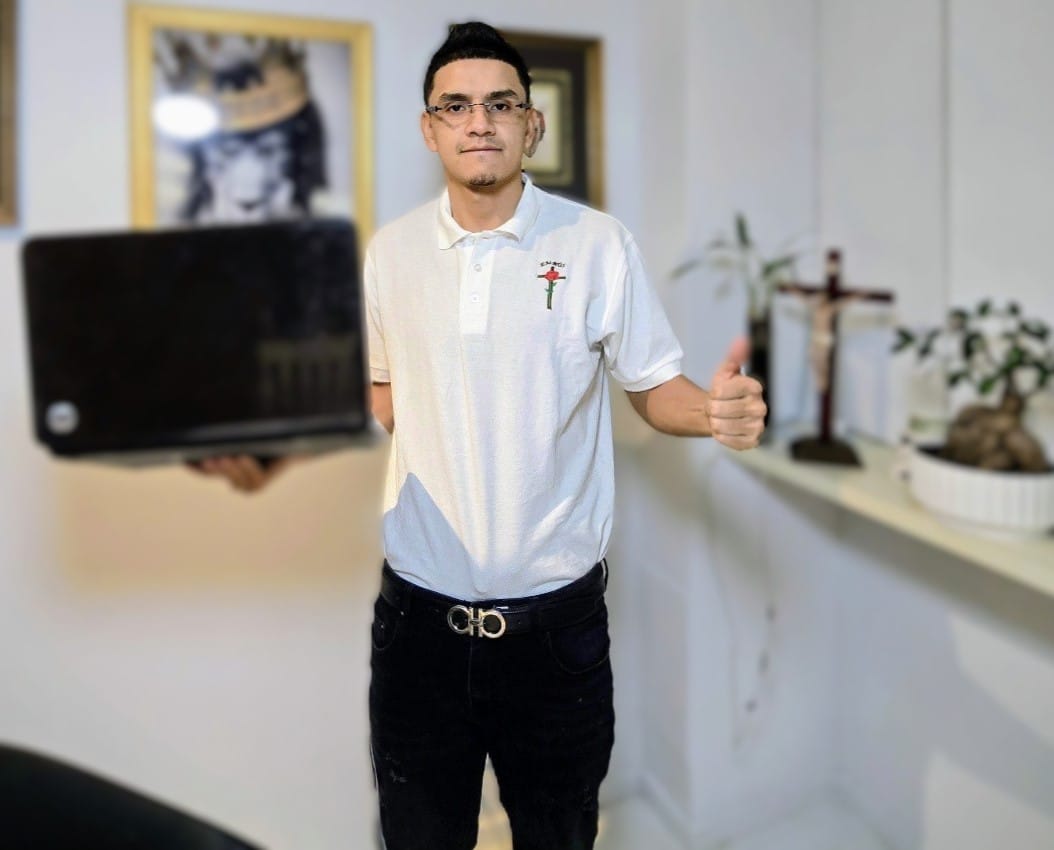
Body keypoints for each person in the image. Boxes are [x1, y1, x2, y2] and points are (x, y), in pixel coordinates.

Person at [197, 22, 765, 850]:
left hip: (557, 635)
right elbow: (383, 396)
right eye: (455, 106)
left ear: (533, 125)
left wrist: (711, 413)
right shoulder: (391, 254)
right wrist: (276, 452)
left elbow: (651, 387)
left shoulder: (596, 244)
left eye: (500, 104)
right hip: (417, 630)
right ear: (428, 129)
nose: (479, 122)